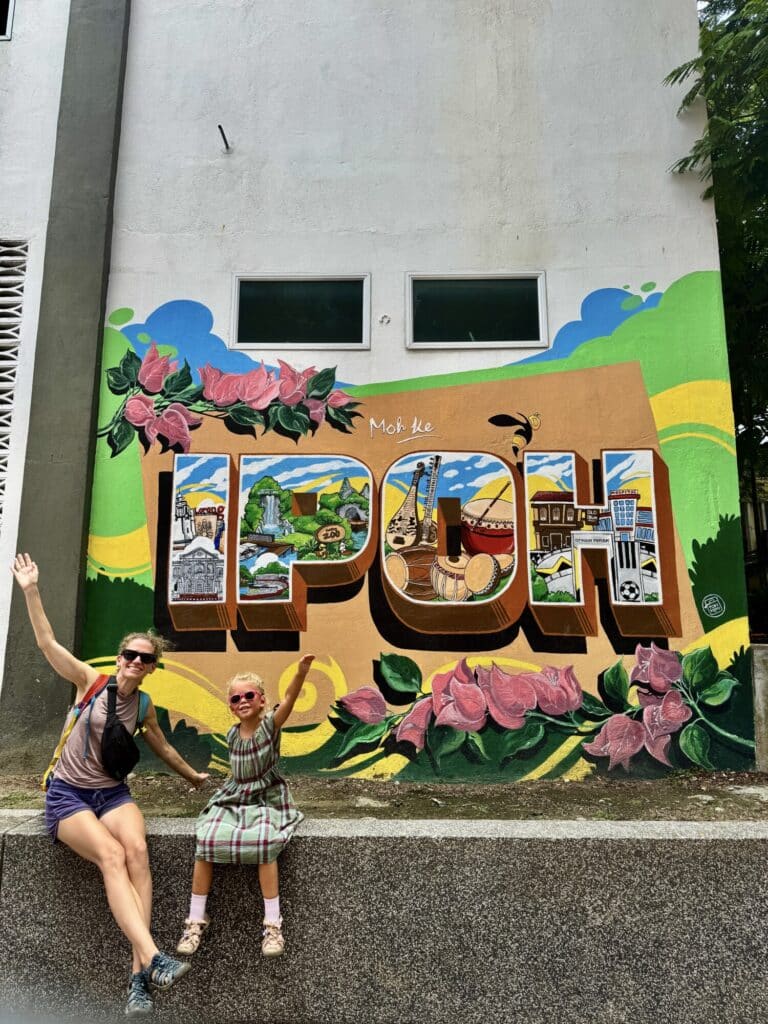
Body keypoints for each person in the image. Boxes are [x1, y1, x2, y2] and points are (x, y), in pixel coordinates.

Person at [11, 552, 209, 1018]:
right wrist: (32, 589)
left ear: (152, 667)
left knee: (138, 852)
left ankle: (138, 979)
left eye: (147, 659)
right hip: (69, 796)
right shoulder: (89, 682)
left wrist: (193, 777)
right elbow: (46, 643)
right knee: (113, 855)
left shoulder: (144, 707)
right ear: (120, 658)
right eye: (131, 655)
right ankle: (152, 959)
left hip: (112, 794)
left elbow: (163, 748)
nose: (137, 662)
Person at [175, 654, 314, 960]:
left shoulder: (269, 728)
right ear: (230, 705)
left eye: (249, 695)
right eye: (236, 697)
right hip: (234, 796)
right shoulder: (231, 734)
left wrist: (301, 672)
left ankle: (272, 924)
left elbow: (289, 700)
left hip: (265, 796)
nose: (242, 701)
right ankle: (196, 918)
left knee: (266, 843)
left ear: (262, 700)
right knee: (207, 840)